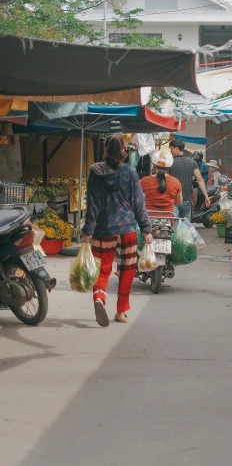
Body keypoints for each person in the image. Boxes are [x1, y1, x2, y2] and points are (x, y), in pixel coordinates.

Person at [83, 133, 152, 327]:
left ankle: (99, 299)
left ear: (105, 150)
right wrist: (147, 229)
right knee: (126, 270)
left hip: (104, 230)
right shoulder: (130, 173)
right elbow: (139, 204)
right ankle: (121, 311)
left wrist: (88, 231)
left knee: (102, 270)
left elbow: (93, 206)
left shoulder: (95, 172)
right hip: (128, 229)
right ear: (123, 151)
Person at [169, 138, 210, 220]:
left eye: (171, 149)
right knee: (186, 229)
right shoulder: (192, 162)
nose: (171, 151)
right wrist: (206, 196)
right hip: (186, 200)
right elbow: (200, 180)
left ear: (177, 148)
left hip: (173, 200)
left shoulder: (170, 162)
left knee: (173, 226)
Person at [140, 150, 182, 216]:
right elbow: (179, 202)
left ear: (154, 165)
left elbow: (137, 199)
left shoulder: (144, 181)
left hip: (149, 219)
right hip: (168, 219)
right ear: (169, 167)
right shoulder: (175, 182)